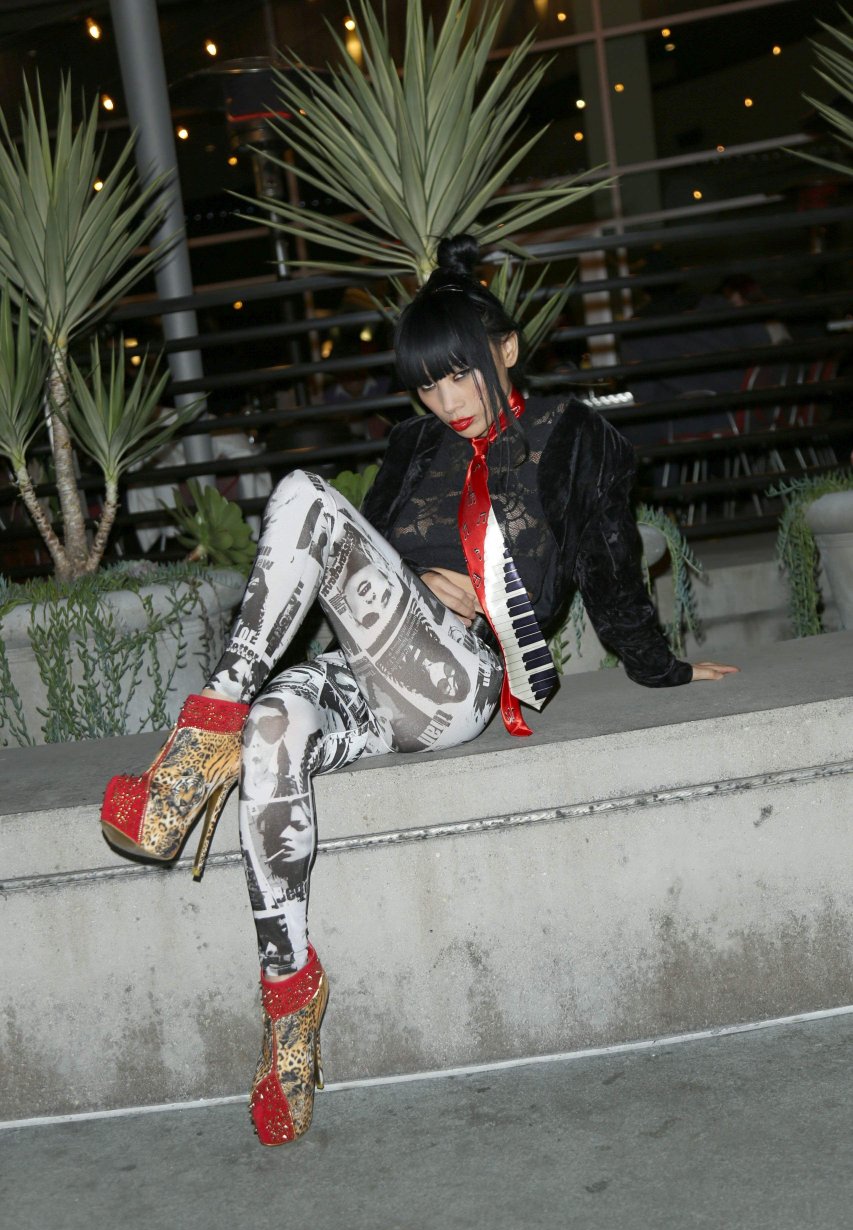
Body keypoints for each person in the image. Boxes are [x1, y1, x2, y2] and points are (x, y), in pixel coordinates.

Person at [101, 235, 737, 1148]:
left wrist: (661, 666)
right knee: (274, 722)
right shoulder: (412, 446)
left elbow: (609, 565)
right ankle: (289, 999)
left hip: (461, 675)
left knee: (304, 494)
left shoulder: (571, 437)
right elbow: (355, 567)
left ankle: (188, 756)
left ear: (505, 350)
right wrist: (406, 585)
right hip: (377, 671)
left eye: (460, 376)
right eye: (428, 386)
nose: (445, 402)